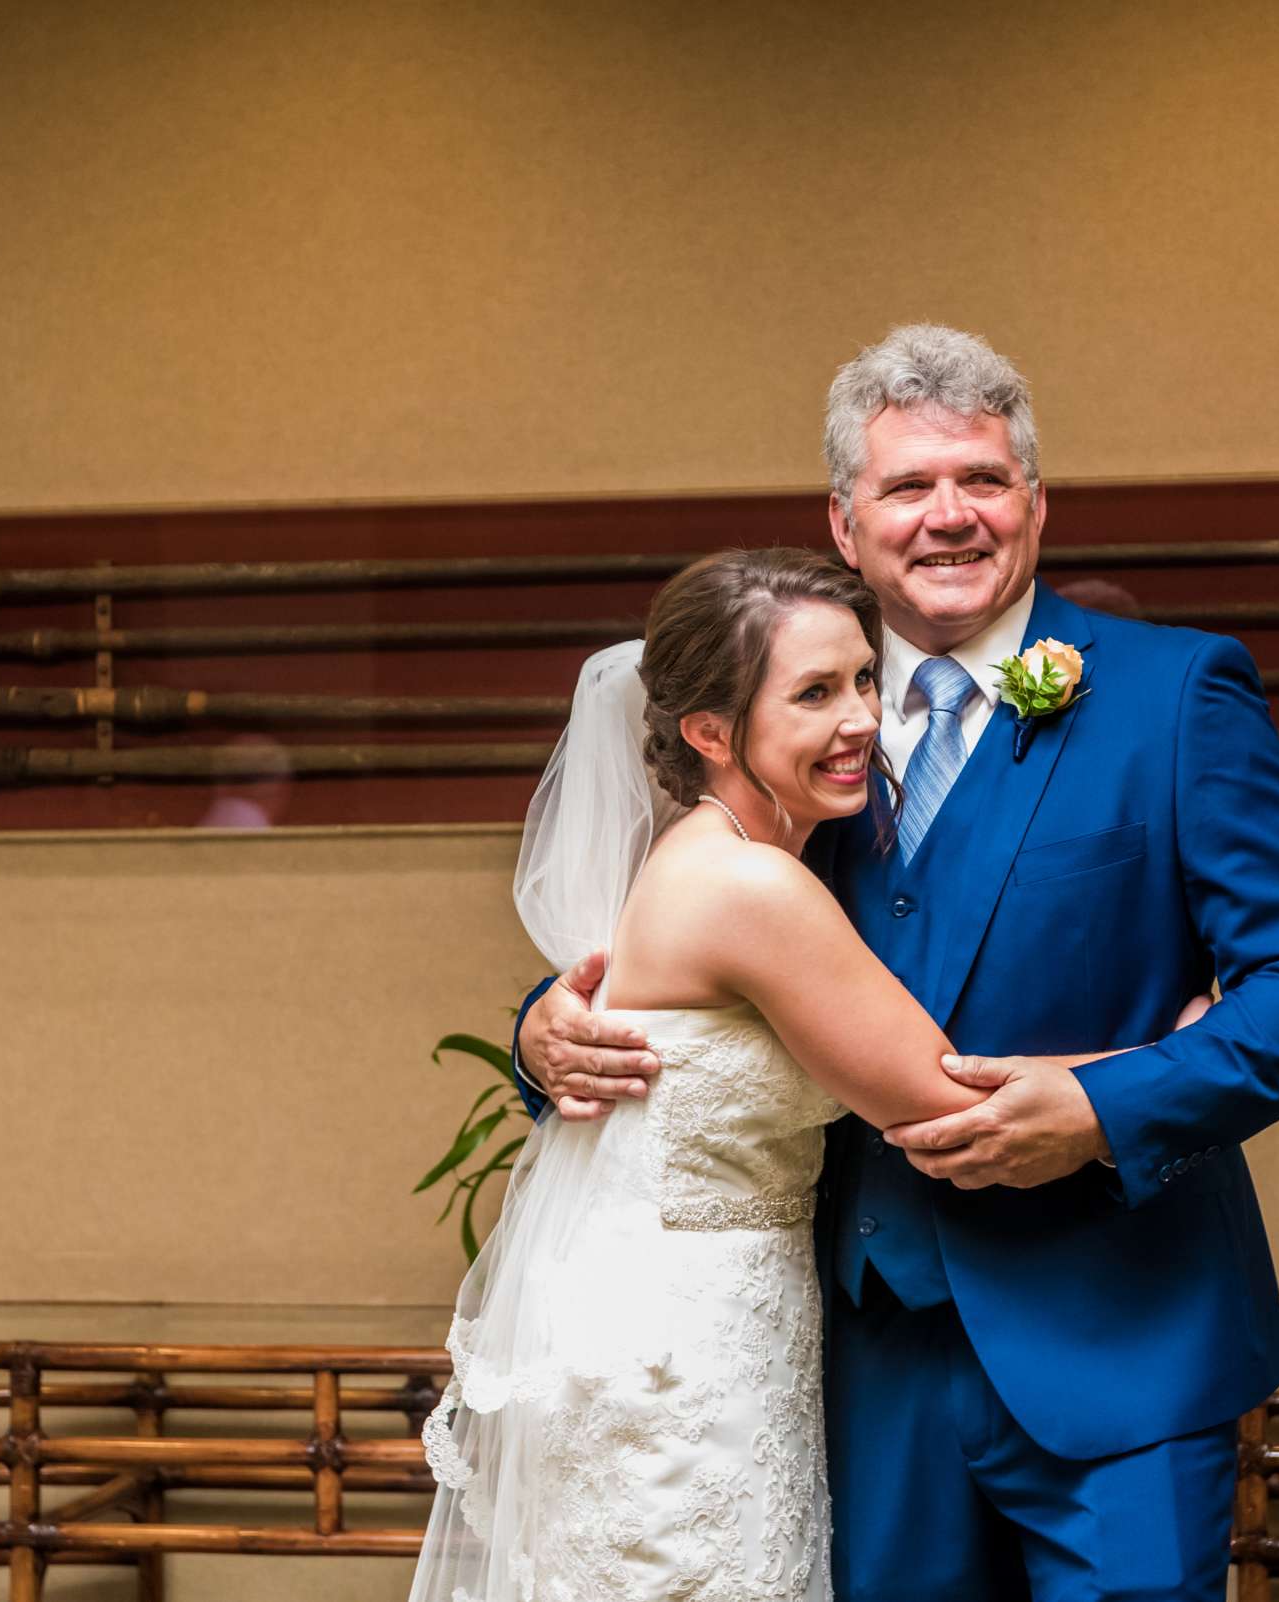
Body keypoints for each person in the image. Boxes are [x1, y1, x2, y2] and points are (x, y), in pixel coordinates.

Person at [514, 324, 1279, 1600]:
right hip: (860, 1361)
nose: (949, 515)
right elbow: (658, 942)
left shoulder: (1175, 694)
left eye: (982, 479)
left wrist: (1103, 1104)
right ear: (845, 520)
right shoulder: (774, 716)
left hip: (1120, 1340)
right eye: (907, 486)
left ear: (1035, 502)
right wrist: (547, 1028)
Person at [418, 548, 1018, 1601]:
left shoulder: (723, 851)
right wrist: (1175, 1041)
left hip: (709, 1321)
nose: (863, 720)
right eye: (817, 693)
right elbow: (945, 1099)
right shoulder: (748, 887)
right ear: (706, 730)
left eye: (865, 679)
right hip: (686, 1354)